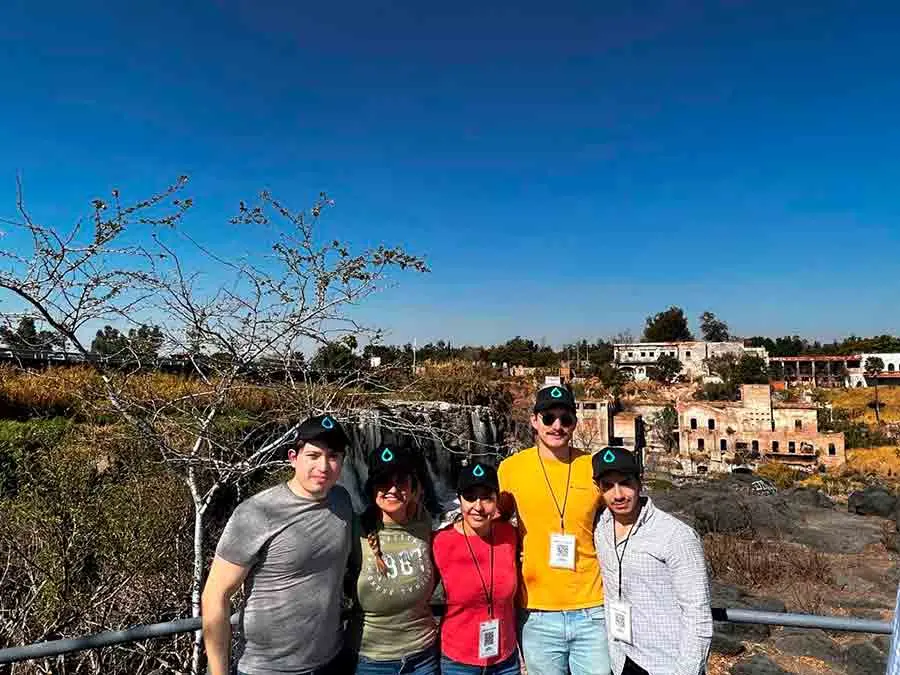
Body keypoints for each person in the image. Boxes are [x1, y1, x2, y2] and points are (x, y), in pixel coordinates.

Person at [201, 414, 354, 675]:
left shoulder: (342, 501)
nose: (324, 466)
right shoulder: (257, 513)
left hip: (332, 661)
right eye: (314, 456)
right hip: (268, 668)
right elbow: (215, 595)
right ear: (293, 457)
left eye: (333, 456)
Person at [497, 385, 610, 675]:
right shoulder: (510, 469)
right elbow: (495, 524)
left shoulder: (593, 466)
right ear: (534, 420)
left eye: (565, 419)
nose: (557, 426)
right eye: (548, 418)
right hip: (537, 612)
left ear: (575, 423)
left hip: (592, 609)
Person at [592, 446, 712, 675]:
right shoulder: (600, 527)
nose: (617, 494)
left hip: (666, 664)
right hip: (621, 658)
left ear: (640, 481)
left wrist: (687, 670)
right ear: (599, 488)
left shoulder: (676, 535)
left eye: (625, 483)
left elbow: (698, 612)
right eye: (608, 486)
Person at [350, 445, 439, 675]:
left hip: (424, 656)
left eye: (401, 481)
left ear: (413, 487)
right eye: (383, 481)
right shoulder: (355, 530)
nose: (392, 489)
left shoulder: (423, 521)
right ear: (371, 489)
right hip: (372, 661)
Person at [433, 462, 520, 675]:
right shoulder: (440, 542)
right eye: (470, 497)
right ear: (459, 499)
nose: (478, 507)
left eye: (487, 498)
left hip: (505, 660)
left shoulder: (509, 535)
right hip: (458, 662)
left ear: (496, 500)